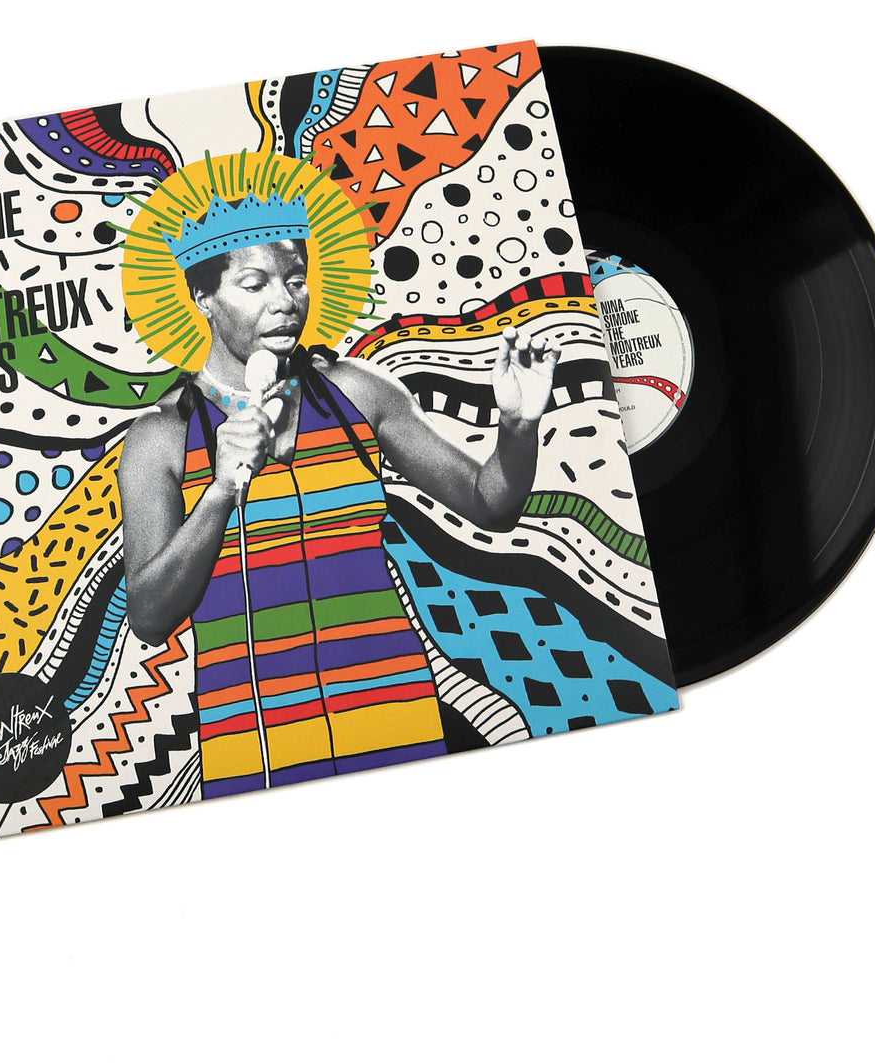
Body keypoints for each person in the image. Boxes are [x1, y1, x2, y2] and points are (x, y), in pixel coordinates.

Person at [118, 197, 558, 798]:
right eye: (254, 284)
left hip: (398, 726)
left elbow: (491, 504)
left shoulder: (357, 394)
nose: (284, 301)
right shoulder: (162, 437)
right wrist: (220, 491)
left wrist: (518, 426)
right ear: (205, 298)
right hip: (254, 751)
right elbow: (148, 617)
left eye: (296, 280)